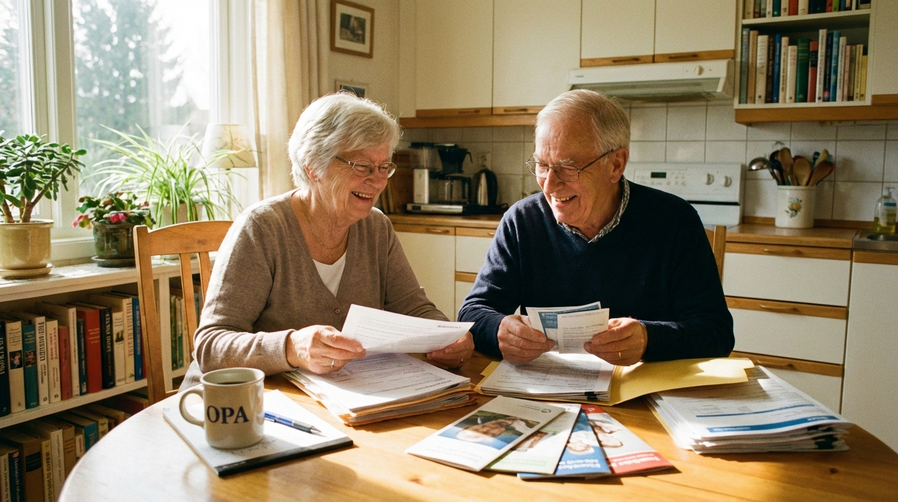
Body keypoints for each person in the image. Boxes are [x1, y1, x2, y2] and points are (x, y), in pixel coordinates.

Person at [181, 92, 473, 389]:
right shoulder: (261, 228)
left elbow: (414, 308)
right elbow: (211, 346)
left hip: (334, 400)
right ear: (313, 165)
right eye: (362, 166)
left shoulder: (376, 228)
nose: (377, 181)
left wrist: (450, 337)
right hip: (236, 409)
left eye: (384, 167)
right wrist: (292, 347)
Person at [457, 89, 733, 366]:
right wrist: (500, 330)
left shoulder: (675, 221)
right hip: (549, 393)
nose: (549, 185)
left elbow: (716, 332)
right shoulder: (522, 221)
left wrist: (650, 339)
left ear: (616, 164)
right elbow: (472, 313)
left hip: (644, 394)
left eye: (568, 167)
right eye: (542, 165)